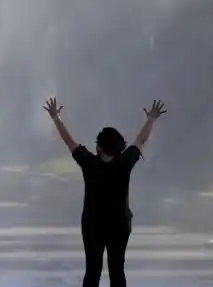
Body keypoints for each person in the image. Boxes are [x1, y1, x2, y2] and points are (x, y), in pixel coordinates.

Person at [43, 97, 167, 287]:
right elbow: (141, 139)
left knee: (92, 271)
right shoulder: (125, 163)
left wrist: (56, 118)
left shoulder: (90, 163)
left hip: (93, 225)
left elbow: (68, 140)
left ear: (100, 146)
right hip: (119, 225)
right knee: (117, 270)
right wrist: (151, 119)